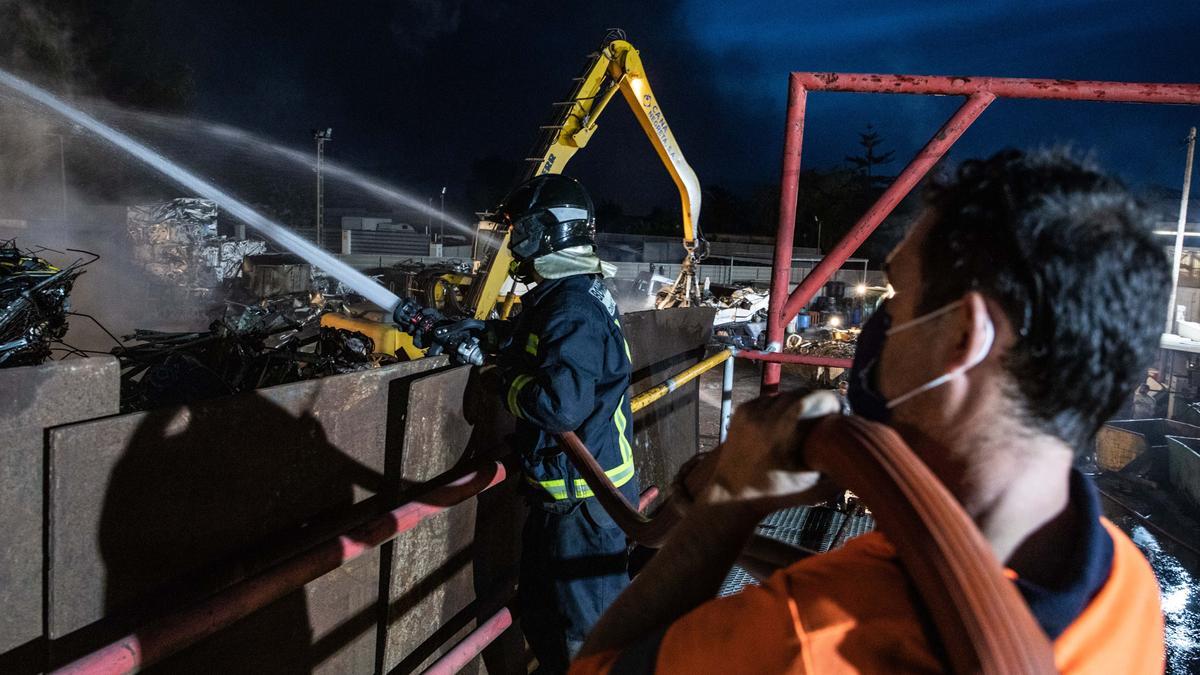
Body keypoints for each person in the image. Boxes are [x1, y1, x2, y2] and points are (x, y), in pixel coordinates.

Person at [571, 149, 1168, 674]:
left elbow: (597, 668)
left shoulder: (810, 640)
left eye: (898, 297)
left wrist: (731, 502)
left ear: (963, 335)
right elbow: (925, 576)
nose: (879, 326)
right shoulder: (1125, 582)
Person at [482, 174, 639, 674]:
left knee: (587, 640)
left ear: (557, 232)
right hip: (573, 495)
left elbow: (560, 405)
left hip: (583, 505)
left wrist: (497, 379)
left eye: (525, 231)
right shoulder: (570, 292)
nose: (516, 244)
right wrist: (486, 334)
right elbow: (544, 346)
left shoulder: (570, 304)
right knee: (547, 620)